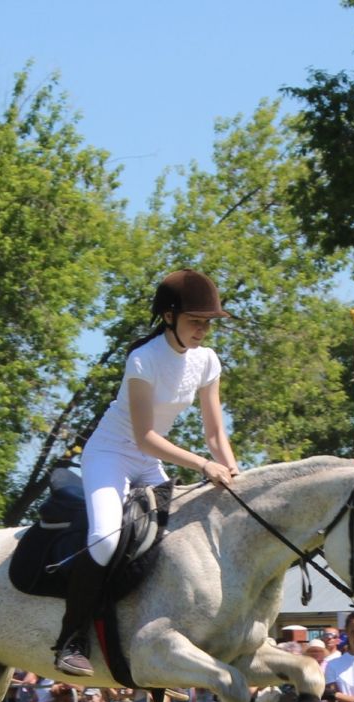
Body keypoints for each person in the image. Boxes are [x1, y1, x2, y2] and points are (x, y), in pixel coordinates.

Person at [55, 269, 235, 676]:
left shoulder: (207, 361)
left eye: (208, 322)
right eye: (196, 321)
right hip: (111, 455)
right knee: (104, 540)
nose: (203, 330)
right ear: (169, 317)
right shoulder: (143, 359)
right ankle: (71, 639)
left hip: (147, 461)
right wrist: (206, 466)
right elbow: (145, 437)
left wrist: (230, 466)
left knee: (177, 539)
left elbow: (214, 431)